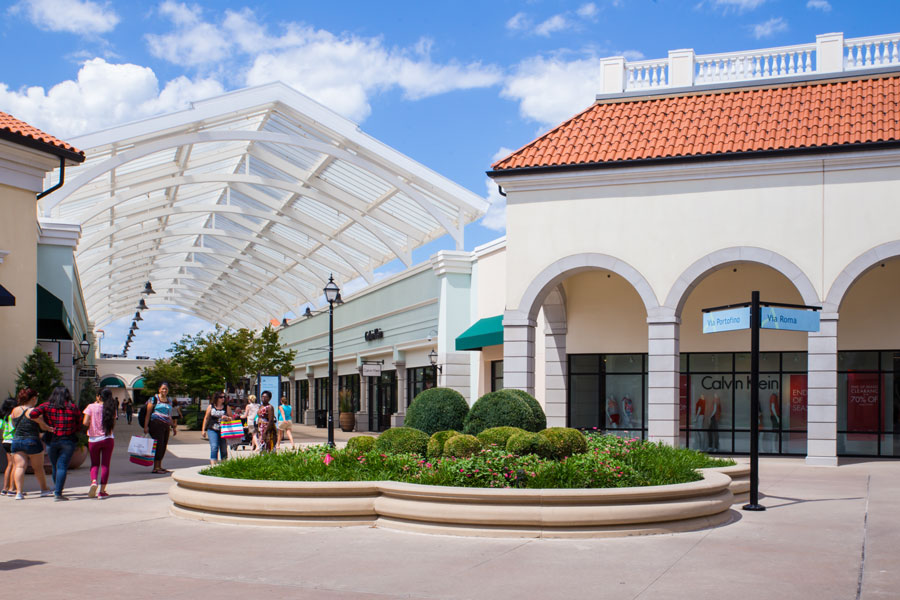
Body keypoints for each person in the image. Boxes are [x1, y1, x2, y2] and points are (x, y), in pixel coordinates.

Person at [30, 386, 82, 501]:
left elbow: (32, 414)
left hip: (51, 440)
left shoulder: (46, 406)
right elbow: (79, 424)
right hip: (68, 440)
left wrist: (43, 424)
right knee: (62, 466)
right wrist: (73, 429)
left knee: (55, 466)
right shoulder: (73, 407)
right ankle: (58, 493)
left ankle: (57, 488)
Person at [9, 388, 53, 500]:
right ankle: (44, 489)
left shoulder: (14, 410)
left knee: (19, 466)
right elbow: (42, 426)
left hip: (17, 440)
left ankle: (19, 492)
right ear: (33, 398)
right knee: (38, 468)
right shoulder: (34, 411)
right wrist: (48, 427)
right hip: (32, 441)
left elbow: (14, 425)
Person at [83, 388, 118, 498]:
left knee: (94, 464)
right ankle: (102, 491)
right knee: (105, 465)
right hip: (108, 438)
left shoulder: (91, 407)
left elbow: (85, 422)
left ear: (98, 396)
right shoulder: (112, 408)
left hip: (94, 439)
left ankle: (94, 481)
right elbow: (113, 423)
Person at [143, 382, 177, 474]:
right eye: (163, 388)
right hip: (156, 424)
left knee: (164, 445)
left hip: (166, 425)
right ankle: (155, 467)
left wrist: (173, 427)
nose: (164, 390)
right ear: (159, 389)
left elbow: (169, 415)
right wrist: (145, 426)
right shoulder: (154, 399)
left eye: (166, 389)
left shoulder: (169, 400)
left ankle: (159, 465)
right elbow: (147, 414)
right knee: (159, 445)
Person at [201, 392, 232, 466]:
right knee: (214, 447)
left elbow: (232, 418)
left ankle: (224, 465)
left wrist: (227, 418)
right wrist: (203, 430)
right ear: (216, 398)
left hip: (224, 430)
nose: (223, 399)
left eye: (224, 397)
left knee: (224, 448)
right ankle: (213, 465)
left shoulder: (226, 407)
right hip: (212, 429)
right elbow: (206, 418)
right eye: (221, 397)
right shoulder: (211, 407)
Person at [1, 397, 18, 496]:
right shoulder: (13, 416)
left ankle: (4, 488)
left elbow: (1, 426)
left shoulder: (3, 417)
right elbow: (15, 428)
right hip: (13, 441)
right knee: (16, 465)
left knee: (9, 465)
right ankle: (12, 488)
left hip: (5, 441)